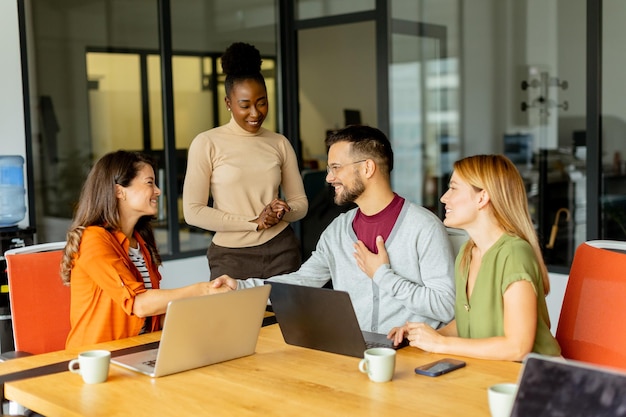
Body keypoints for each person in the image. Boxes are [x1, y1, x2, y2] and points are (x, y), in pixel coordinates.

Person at [212, 125, 456, 334]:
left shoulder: (424, 227)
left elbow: (446, 305)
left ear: (368, 168)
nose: (329, 178)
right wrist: (242, 287)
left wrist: (383, 276)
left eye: (336, 167)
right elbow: (302, 280)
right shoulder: (338, 230)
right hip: (354, 355)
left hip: (414, 358)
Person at [389, 154, 561, 360]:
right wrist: (421, 337)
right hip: (490, 373)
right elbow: (467, 324)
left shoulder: (514, 254)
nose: (444, 198)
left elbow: (517, 347)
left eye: (453, 188)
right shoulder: (467, 253)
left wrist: (441, 344)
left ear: (482, 198)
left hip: (535, 378)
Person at [61, 150, 227, 349]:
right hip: (98, 359)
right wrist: (203, 290)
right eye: (150, 183)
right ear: (119, 191)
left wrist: (209, 307)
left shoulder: (140, 241)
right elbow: (139, 304)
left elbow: (151, 317)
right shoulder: (94, 239)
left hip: (139, 348)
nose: (157, 191)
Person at [183, 42, 308, 280]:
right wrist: (254, 222)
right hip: (231, 258)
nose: (255, 113)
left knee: (288, 319)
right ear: (228, 103)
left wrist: (282, 212)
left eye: (261, 102)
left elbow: (300, 203)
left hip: (282, 250)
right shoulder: (207, 143)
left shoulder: (279, 143)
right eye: (245, 105)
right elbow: (193, 212)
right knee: (233, 318)